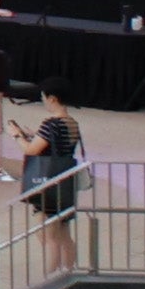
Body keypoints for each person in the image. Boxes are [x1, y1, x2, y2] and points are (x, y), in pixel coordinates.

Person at [18, 96, 89, 274]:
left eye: (44, 97)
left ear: (52, 98)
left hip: (48, 183)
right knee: (64, 233)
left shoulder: (51, 124)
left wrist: (17, 136)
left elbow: (31, 150)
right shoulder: (72, 123)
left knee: (48, 236)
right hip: (65, 183)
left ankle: (50, 278)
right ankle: (68, 271)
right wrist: (35, 136)